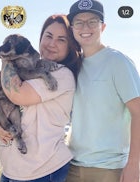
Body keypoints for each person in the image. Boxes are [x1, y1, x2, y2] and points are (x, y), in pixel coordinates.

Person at [0, 14, 82, 182]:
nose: (52, 44)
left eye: (61, 40)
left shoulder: (61, 74)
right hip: (11, 170)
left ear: (70, 46)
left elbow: (16, 93)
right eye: (48, 36)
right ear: (40, 37)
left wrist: (6, 55)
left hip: (43, 171)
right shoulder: (31, 65)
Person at [66, 0, 140, 182]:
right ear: (72, 28)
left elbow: (138, 112)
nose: (86, 27)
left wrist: (133, 165)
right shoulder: (74, 66)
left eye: (92, 21)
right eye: (79, 22)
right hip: (73, 165)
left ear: (103, 26)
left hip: (109, 169)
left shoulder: (118, 62)